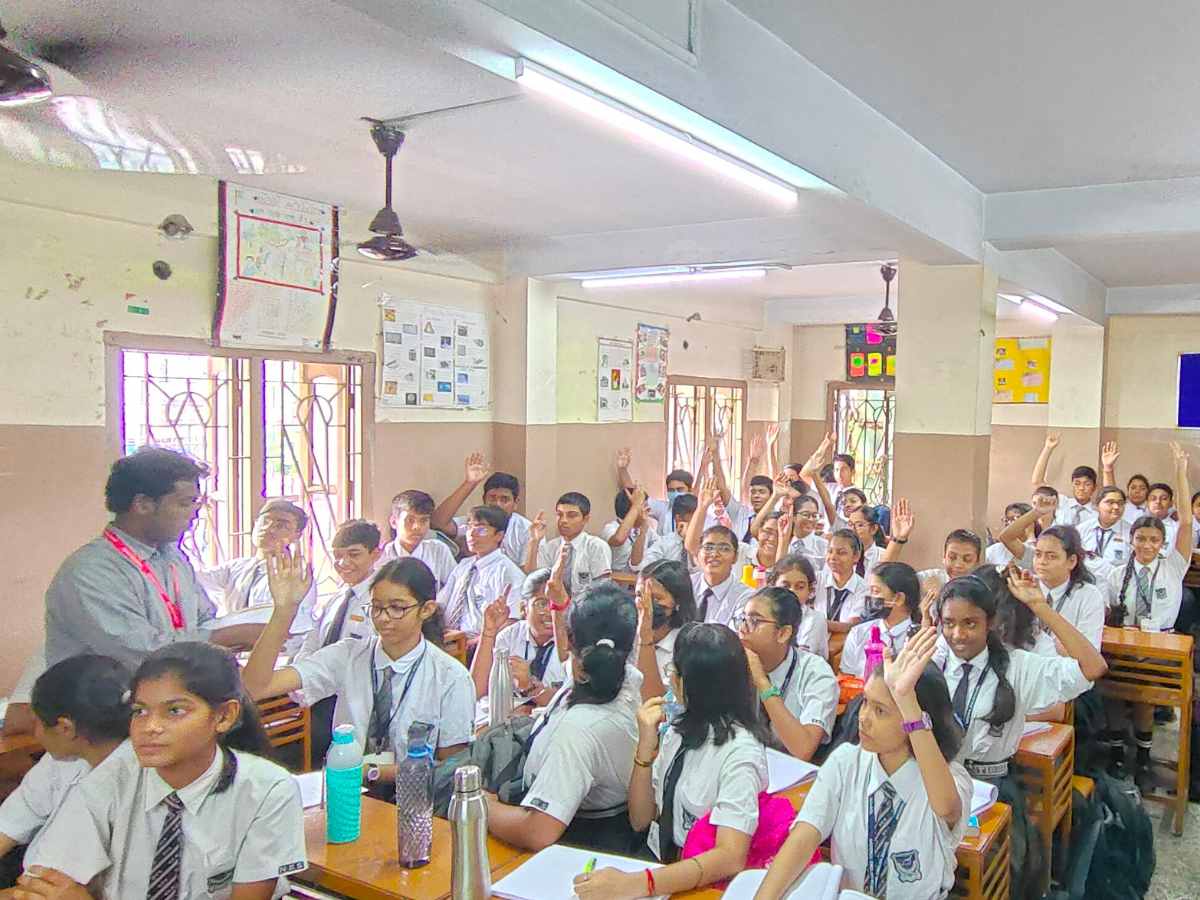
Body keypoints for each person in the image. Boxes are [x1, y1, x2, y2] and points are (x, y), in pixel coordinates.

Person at [20, 642, 306, 899]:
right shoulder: (115, 774)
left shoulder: (268, 790)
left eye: (175, 711)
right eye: (140, 711)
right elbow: (46, 883)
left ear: (224, 716)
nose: (150, 727)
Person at [755, 628, 970, 900]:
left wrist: (907, 701)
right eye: (866, 702)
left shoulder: (947, 777)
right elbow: (804, 835)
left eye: (880, 711)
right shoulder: (846, 762)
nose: (864, 717)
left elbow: (947, 807)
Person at [573, 624, 770, 898]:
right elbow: (641, 820)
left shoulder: (741, 752)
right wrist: (644, 749)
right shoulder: (680, 730)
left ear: (692, 684)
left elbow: (730, 856)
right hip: (661, 865)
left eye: (674, 672)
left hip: (704, 884)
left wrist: (636, 884)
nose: (670, 679)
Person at [243, 552, 474, 776]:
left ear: (426, 609)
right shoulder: (349, 654)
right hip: (349, 786)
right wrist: (284, 612)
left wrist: (373, 772)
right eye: (376, 607)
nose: (383, 618)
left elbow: (450, 766)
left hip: (415, 792)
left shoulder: (450, 676)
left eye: (397, 608)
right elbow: (255, 687)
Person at [44, 447, 261, 672]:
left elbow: (204, 618)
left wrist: (242, 635)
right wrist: (227, 636)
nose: (194, 513)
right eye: (184, 503)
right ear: (143, 505)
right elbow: (141, 654)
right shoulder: (91, 571)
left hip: (175, 685)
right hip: (110, 692)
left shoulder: (173, 556)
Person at [485, 582, 641, 853]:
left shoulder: (579, 730)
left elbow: (538, 831)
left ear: (569, 639)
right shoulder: (622, 676)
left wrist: (482, 805)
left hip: (577, 843)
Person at [0, 657, 131, 885]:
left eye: (37, 723)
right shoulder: (68, 754)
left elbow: (45, 887)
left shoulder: (111, 786)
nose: (36, 733)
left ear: (65, 728)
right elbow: (16, 816)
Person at [292, 519, 383, 767]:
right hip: (316, 693)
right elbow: (313, 641)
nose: (343, 563)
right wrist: (301, 674)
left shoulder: (379, 600)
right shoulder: (337, 597)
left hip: (350, 697)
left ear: (376, 554)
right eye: (338, 556)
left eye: (354, 554)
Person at [198, 500, 317, 653]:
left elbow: (272, 621)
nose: (269, 529)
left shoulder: (295, 575)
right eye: (265, 521)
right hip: (230, 652)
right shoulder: (237, 567)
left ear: (296, 535)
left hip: (277, 655)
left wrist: (214, 631)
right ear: (255, 524)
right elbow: (195, 580)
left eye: (281, 526)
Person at [736, 588, 837, 761]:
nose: (742, 628)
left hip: (789, 768)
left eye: (754, 621)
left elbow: (803, 749)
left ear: (783, 633)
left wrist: (762, 682)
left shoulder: (816, 673)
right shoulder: (733, 662)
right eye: (742, 619)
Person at [470, 568, 566, 711]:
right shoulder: (510, 637)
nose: (550, 612)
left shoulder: (574, 642)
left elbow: (569, 702)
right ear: (523, 608)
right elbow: (476, 692)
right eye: (542, 604)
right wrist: (488, 633)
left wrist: (529, 686)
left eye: (556, 604)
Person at [432, 453, 532, 569]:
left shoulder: (526, 530)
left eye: (504, 499)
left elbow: (529, 575)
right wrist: (470, 483)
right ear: (484, 499)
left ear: (515, 503)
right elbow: (438, 522)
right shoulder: (474, 523)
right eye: (492, 498)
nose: (497, 504)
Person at [439, 506, 525, 639]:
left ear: (499, 535)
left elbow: (512, 620)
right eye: (469, 527)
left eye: (481, 529)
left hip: (483, 641)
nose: (472, 534)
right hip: (450, 639)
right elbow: (441, 602)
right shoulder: (463, 566)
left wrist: (480, 641)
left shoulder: (508, 572)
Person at [1027, 525, 1106, 654]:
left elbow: (1089, 653)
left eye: (1051, 556)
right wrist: (1062, 646)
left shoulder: (1089, 595)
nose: (1042, 562)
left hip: (1068, 666)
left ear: (1071, 561)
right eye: (1038, 554)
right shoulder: (1025, 588)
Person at [840, 562, 923, 679]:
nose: (869, 597)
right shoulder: (858, 633)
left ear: (898, 598)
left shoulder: (919, 640)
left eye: (875, 591)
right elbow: (846, 678)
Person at [633, 560, 699, 699]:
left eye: (656, 598)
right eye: (640, 595)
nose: (645, 603)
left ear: (678, 602)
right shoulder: (627, 632)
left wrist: (645, 636)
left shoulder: (688, 646)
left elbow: (656, 702)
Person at [530, 492, 613, 590]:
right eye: (559, 514)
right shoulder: (549, 548)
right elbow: (535, 581)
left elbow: (603, 589)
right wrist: (534, 541)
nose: (563, 520)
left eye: (571, 516)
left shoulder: (596, 547)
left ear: (585, 519)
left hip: (587, 599)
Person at [379, 490, 457, 588]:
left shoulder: (438, 550)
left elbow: (456, 587)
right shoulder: (382, 556)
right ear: (394, 522)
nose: (417, 527)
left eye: (424, 520)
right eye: (410, 520)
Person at [617, 447, 693, 538]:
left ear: (690, 490)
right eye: (671, 490)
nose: (675, 493)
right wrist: (623, 469)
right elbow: (634, 496)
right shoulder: (663, 508)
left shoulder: (699, 513)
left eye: (680, 489)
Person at [687, 524, 753, 626]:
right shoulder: (686, 584)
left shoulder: (745, 596)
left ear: (735, 557)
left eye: (724, 549)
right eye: (708, 548)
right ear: (698, 553)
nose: (714, 554)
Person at [768, 556, 828, 659]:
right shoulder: (765, 614)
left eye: (800, 587)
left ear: (810, 590)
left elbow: (799, 659)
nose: (792, 592)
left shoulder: (815, 619)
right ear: (772, 586)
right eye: (785, 586)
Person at [1030, 434, 1098, 525]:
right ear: (1072, 485)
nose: (1081, 488)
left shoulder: (1097, 514)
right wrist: (1048, 448)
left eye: (1087, 484)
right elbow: (1037, 481)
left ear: (1094, 487)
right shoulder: (1062, 501)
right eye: (1077, 483)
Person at [814, 529, 868, 636]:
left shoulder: (864, 588)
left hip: (844, 643)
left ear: (856, 556)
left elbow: (850, 626)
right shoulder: (817, 579)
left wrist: (813, 621)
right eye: (830, 551)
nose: (833, 557)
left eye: (841, 553)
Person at [602, 486, 657, 572]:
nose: (649, 510)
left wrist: (642, 531)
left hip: (636, 577)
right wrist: (636, 506)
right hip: (614, 578)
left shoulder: (645, 528)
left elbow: (636, 563)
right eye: (644, 506)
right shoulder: (610, 528)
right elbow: (619, 539)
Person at [639, 493, 698, 569]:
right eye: (695, 519)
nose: (699, 523)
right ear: (678, 518)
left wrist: (691, 548)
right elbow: (642, 567)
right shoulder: (664, 544)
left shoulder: (704, 543)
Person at [912, 529, 983, 592]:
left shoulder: (983, 589)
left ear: (977, 562)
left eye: (967, 559)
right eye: (952, 557)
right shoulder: (926, 578)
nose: (958, 565)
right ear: (944, 557)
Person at [985, 502, 1032, 566]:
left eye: (1014, 519)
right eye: (1007, 519)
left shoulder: (1033, 548)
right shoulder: (994, 550)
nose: (1009, 523)